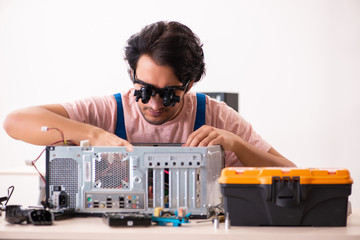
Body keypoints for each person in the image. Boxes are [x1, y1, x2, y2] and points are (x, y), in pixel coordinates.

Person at [3, 21, 296, 167]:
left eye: (169, 94)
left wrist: (237, 145)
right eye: (144, 91)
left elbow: (291, 172)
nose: (155, 104)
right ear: (132, 76)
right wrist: (94, 136)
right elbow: (15, 121)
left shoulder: (215, 116)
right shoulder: (109, 111)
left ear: (190, 84)